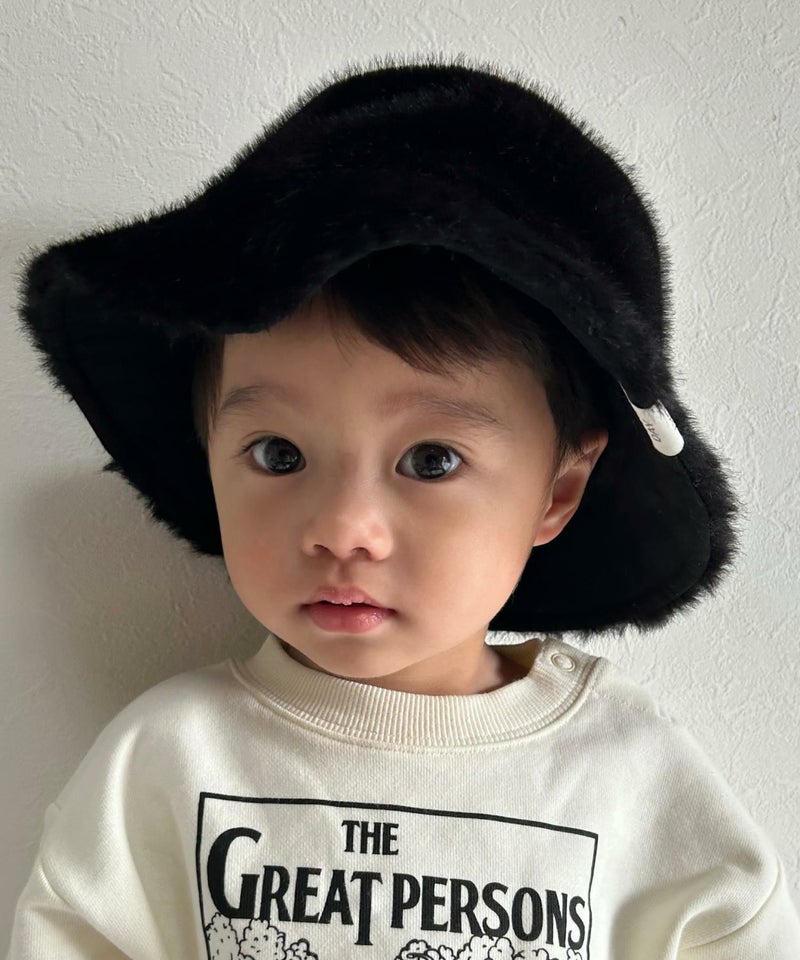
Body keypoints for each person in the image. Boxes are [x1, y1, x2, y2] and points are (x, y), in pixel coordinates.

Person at [7, 54, 800, 959]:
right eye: (278, 455)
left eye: (431, 460)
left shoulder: (627, 774)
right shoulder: (169, 762)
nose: (342, 528)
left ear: (558, 490)